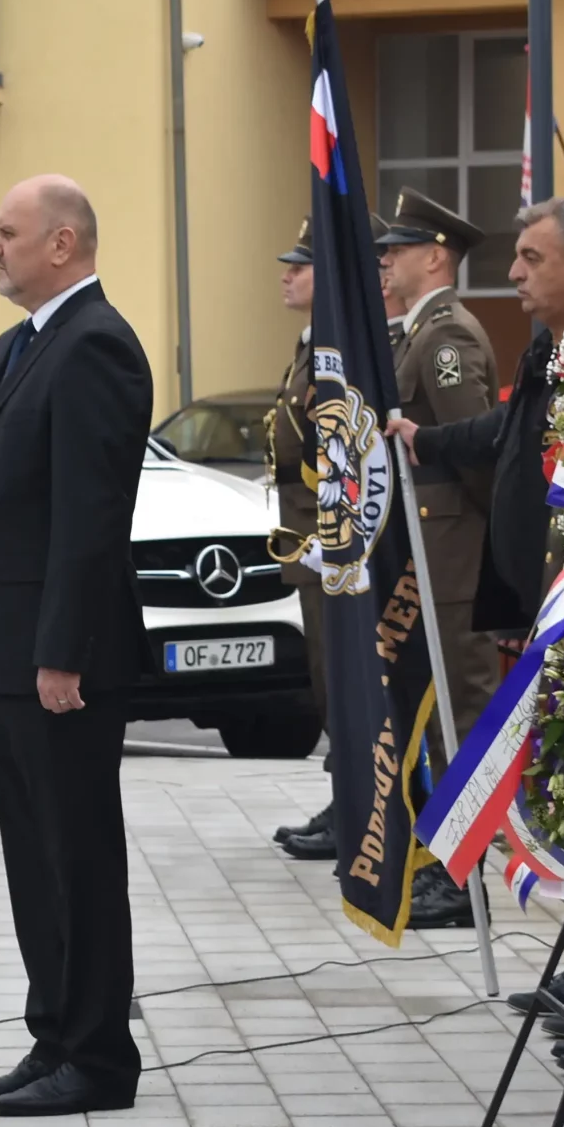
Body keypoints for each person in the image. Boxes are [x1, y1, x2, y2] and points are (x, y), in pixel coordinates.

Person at [0, 175, 154, 1118]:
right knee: (34, 856)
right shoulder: (20, 344)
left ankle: (100, 1057)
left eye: (7, 233)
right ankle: (54, 1033)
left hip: (57, 660)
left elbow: (90, 517)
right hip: (3, 649)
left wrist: (62, 650)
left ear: (62, 244)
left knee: (77, 858)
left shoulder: (96, 345)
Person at [397, 198, 564, 998]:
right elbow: (504, 432)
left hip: (563, 587)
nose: (512, 274)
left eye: (531, 259)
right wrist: (424, 440)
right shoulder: (552, 340)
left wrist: (491, 544)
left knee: (516, 738)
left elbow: (511, 464)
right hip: (532, 586)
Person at [374, 187, 498, 931]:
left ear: (435, 255)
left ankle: (466, 875)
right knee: (438, 715)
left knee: (463, 716)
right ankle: (445, 860)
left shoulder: (445, 340)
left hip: (452, 558)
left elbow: (478, 451)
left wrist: (489, 552)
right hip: (431, 556)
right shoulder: (417, 334)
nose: (385, 258)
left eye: (399, 248)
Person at [264, 221, 337, 862]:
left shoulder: (336, 350)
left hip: (328, 533)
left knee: (337, 673)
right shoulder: (308, 343)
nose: (286, 274)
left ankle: (353, 806)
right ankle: (344, 800)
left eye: (301, 266)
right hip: (305, 531)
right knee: (323, 671)